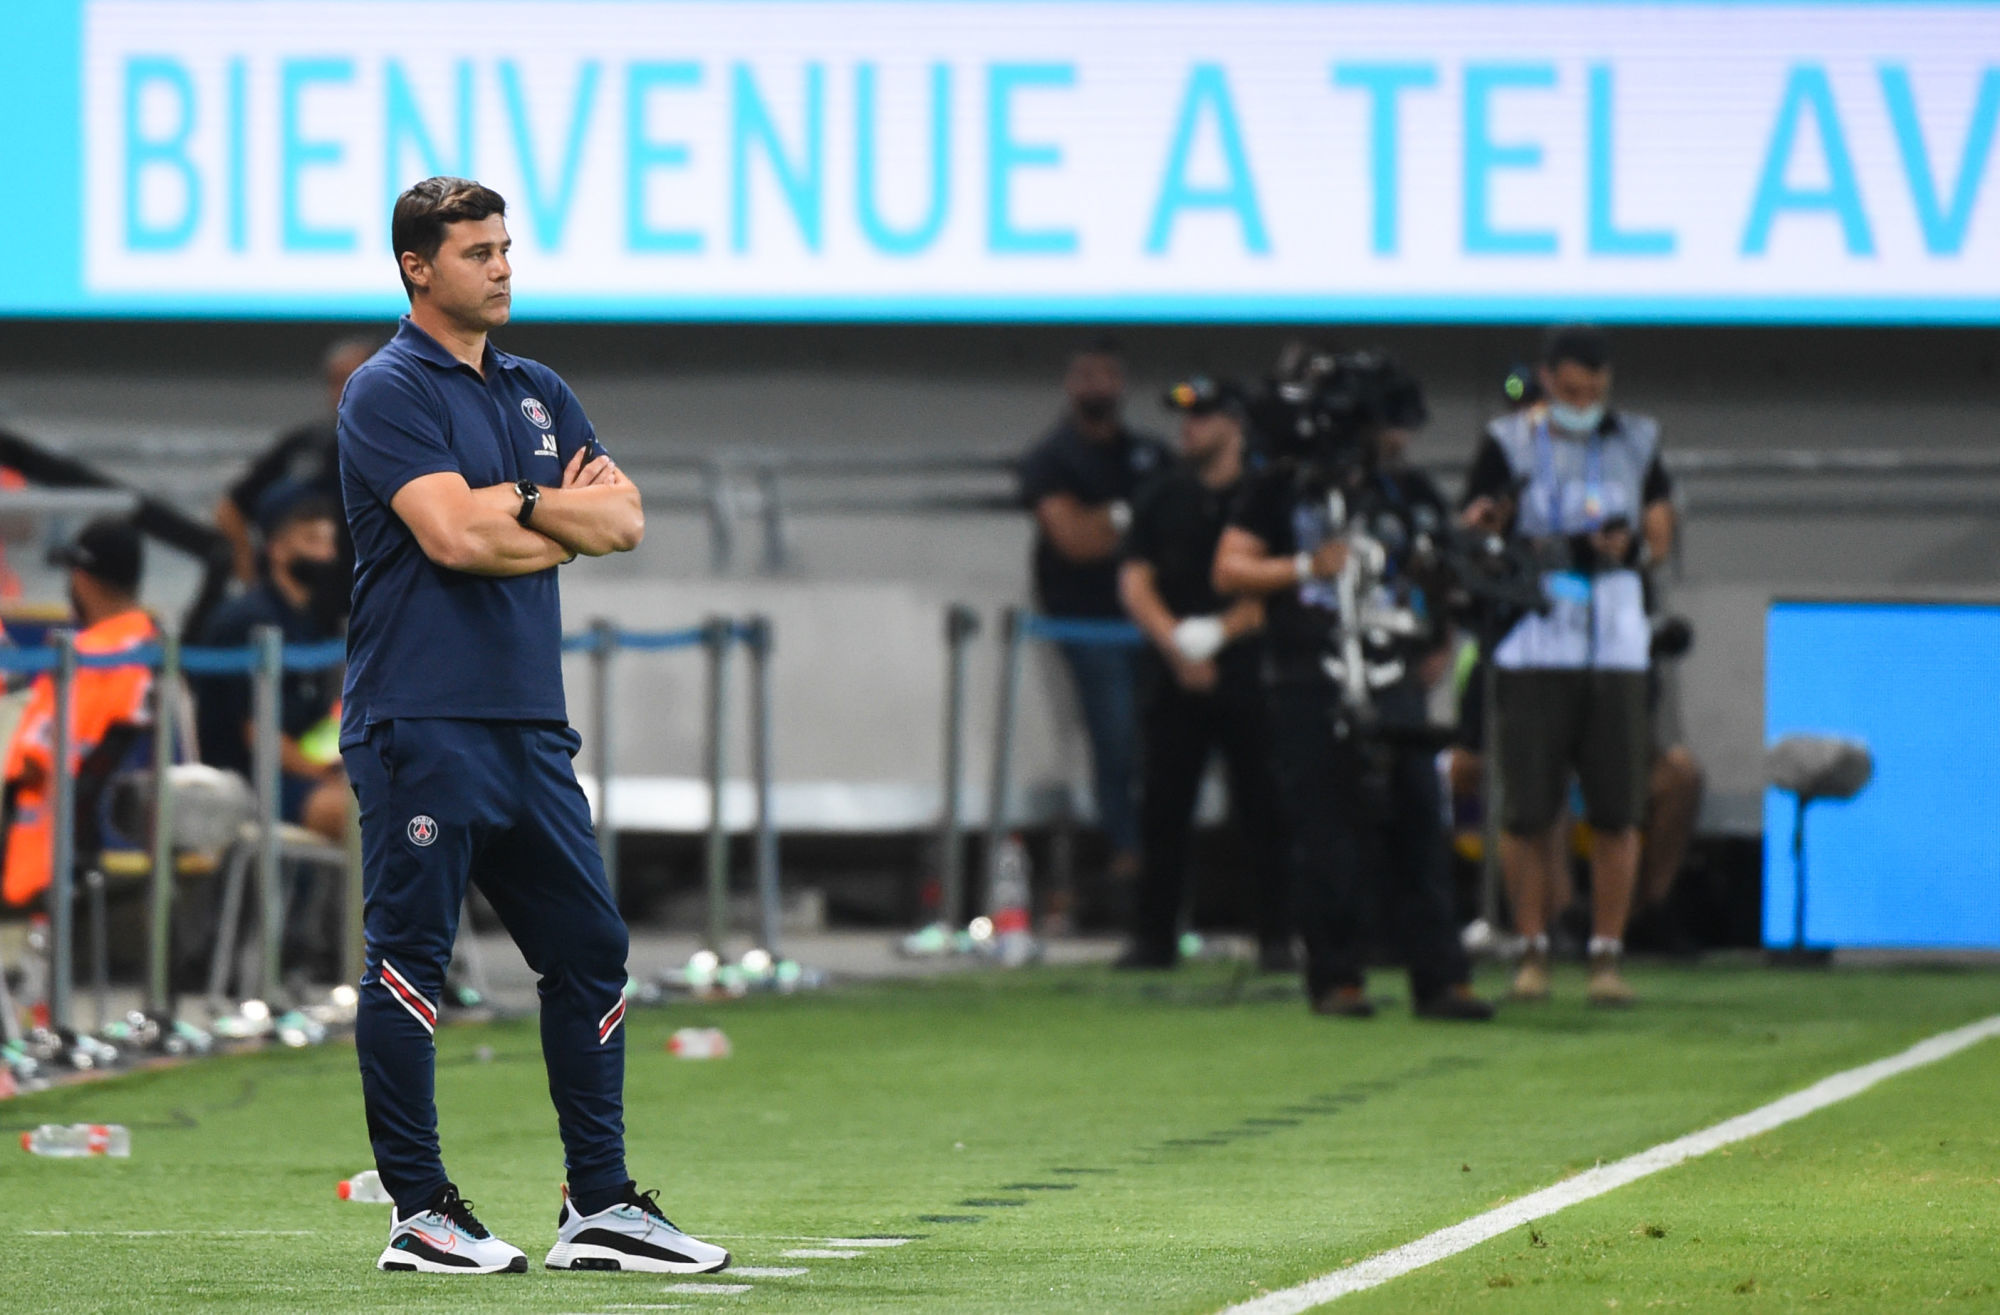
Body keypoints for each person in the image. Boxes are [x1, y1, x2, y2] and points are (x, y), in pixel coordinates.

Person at [337, 175, 726, 1276]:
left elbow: (627, 518)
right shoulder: (385, 390)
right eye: (477, 252)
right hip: (420, 717)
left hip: (526, 724)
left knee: (590, 948)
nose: (502, 266)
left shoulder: (535, 388)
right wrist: (553, 515)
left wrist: (510, 506)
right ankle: (420, 1212)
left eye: (506, 247)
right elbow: (454, 541)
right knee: (412, 959)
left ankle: (596, 1205)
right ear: (419, 267)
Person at [1213, 351, 1491, 1022]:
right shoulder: (1282, 489)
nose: (1403, 438)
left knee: (1421, 822)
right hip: (1310, 673)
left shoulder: (1410, 492)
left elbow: (1439, 574)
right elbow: (1230, 568)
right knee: (1327, 831)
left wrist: (1443, 625)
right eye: (1392, 425)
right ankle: (1336, 974)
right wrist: (1306, 565)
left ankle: (1439, 975)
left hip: (1394, 672)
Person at [1460, 325, 1674, 1006]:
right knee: (1529, 806)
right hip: (1536, 629)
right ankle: (1531, 947)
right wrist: (1504, 524)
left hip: (1613, 634)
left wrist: (1631, 544)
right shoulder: (1509, 439)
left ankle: (1607, 954)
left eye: (1596, 388)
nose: (1585, 399)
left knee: (1617, 803)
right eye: (1573, 388)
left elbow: (1661, 528)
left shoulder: (1637, 438)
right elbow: (1475, 524)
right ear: (1548, 379)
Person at [1114, 377, 1289, 972]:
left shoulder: (1265, 496)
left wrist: (1218, 635)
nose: (1188, 427)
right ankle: (1154, 937)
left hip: (1249, 669)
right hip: (1173, 674)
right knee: (1162, 807)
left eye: (1204, 416)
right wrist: (1179, 647)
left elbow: (1280, 582)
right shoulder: (1161, 494)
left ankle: (1277, 937)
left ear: (1235, 423)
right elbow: (1136, 580)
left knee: (1265, 808)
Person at [1017, 338, 1171, 925]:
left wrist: (1109, 521)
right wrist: (1129, 520)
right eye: (1086, 375)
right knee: (1116, 741)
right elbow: (1076, 543)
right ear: (1069, 384)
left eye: (1109, 374)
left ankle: (1161, 856)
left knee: (1162, 744)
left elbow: (1173, 540)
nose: (1098, 386)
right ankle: (1130, 855)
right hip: (1090, 624)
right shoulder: (1054, 457)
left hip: (1152, 624)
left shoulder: (1148, 455)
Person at [1, 520, 159, 908]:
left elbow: (27, 763)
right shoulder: (152, 649)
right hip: (91, 842)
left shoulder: (84, 659)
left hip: (35, 854)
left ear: (83, 580)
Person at [192, 490, 349, 842]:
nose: (326, 554)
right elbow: (259, 735)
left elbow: (319, 726)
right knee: (359, 814)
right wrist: (323, 776)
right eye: (312, 540)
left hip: (303, 774)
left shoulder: (310, 622)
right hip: (249, 782)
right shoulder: (246, 622)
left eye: (329, 542)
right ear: (277, 549)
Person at [215, 337, 375, 585]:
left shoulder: (400, 449)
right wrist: (250, 578)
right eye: (334, 381)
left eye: (350, 378)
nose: (340, 391)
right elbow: (231, 509)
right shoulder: (306, 446)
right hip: (305, 604)